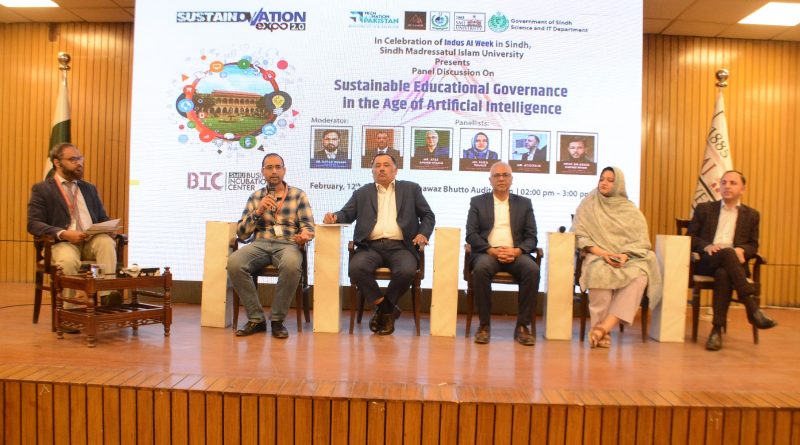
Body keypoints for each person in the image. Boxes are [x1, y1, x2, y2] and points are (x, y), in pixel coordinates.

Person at [323, 153, 435, 335]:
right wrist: (334, 217)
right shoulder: (362, 193)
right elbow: (346, 214)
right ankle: (388, 309)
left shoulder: (411, 189)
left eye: (386, 165)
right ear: (372, 171)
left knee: (407, 271)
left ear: (395, 170)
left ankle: (383, 311)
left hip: (401, 247)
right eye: (377, 165)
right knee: (356, 268)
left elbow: (428, 215)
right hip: (370, 248)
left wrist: (423, 233)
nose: (381, 169)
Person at [27, 143, 120, 323]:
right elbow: (33, 223)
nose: (79, 163)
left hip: (90, 240)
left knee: (106, 242)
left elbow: (102, 217)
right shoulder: (42, 189)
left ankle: (106, 297)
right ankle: (67, 314)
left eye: (80, 158)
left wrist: (109, 228)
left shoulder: (89, 188)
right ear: (57, 163)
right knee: (68, 259)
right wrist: (63, 233)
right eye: (73, 159)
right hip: (61, 243)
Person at [572, 166, 662, 348]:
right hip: (597, 255)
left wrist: (624, 256)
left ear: (619, 184)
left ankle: (603, 328)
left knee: (640, 275)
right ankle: (600, 331)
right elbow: (580, 236)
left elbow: (640, 242)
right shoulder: (588, 203)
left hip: (625, 258)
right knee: (599, 272)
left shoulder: (630, 210)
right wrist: (603, 253)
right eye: (602, 179)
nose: (604, 183)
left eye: (610, 180)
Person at [227, 153, 315, 338]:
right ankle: (256, 319)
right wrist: (258, 211)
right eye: (269, 168)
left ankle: (277, 320)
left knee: (291, 265)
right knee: (234, 262)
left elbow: (308, 227)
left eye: (278, 167)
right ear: (263, 172)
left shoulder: (298, 195)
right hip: (260, 243)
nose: (274, 171)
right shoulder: (255, 197)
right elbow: (242, 234)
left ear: (284, 170)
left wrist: (304, 236)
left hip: (288, 244)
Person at [687, 170, 776, 351]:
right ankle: (752, 308)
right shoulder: (705, 209)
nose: (727, 186)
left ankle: (716, 331)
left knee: (724, 273)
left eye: (733, 183)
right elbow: (691, 237)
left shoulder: (752, 215)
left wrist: (743, 250)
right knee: (727, 253)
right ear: (719, 187)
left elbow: (753, 245)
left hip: (733, 266)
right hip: (708, 261)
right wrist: (707, 246)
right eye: (724, 182)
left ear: (742, 189)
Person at [466, 162, 540, 346]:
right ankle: (484, 325)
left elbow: (532, 237)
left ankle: (522, 326)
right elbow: (471, 234)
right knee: (481, 269)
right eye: (496, 176)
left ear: (511, 179)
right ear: (490, 180)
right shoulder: (477, 202)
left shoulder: (524, 203)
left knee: (532, 270)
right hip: (488, 253)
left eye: (505, 175)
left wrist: (517, 251)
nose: (501, 179)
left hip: (515, 253)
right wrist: (491, 250)